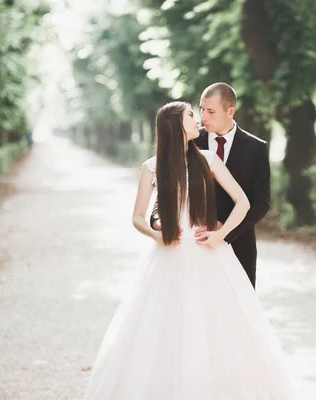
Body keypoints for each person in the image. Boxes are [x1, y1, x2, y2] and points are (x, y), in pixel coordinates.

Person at [83, 101, 296, 399]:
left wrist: (220, 234)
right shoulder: (152, 166)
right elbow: (137, 217)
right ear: (174, 124)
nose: (198, 120)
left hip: (209, 254)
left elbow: (243, 203)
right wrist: (157, 236)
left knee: (218, 327)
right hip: (168, 256)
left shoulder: (208, 159)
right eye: (191, 116)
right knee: (163, 331)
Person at [151, 82, 270, 288]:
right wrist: (156, 220)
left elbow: (261, 202)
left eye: (211, 111)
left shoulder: (256, 148)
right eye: (201, 109)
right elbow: (166, 190)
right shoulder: (190, 141)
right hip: (193, 244)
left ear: (230, 111)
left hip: (239, 242)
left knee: (239, 310)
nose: (203, 117)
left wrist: (225, 232)